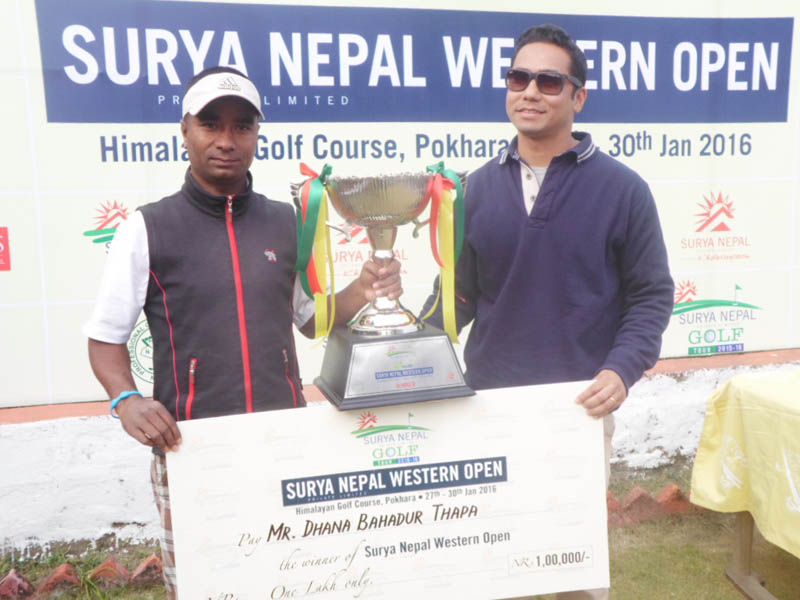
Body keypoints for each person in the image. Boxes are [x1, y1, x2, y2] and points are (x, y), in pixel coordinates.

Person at [83, 66, 401, 599]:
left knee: (290, 578)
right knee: (202, 586)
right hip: (189, 444)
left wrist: (363, 288)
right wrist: (125, 400)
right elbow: (105, 338)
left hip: (283, 441)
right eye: (211, 124)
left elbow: (308, 317)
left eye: (242, 126)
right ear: (185, 129)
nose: (226, 140)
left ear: (257, 134)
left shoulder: (285, 221)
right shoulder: (147, 227)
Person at [421, 24, 674, 600]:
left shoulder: (624, 190)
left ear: (577, 97)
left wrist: (621, 369)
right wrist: (399, 352)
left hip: (578, 411)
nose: (529, 91)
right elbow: (456, 299)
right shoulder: (472, 191)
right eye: (518, 77)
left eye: (548, 80)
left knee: (574, 576)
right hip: (487, 408)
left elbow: (651, 294)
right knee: (489, 569)